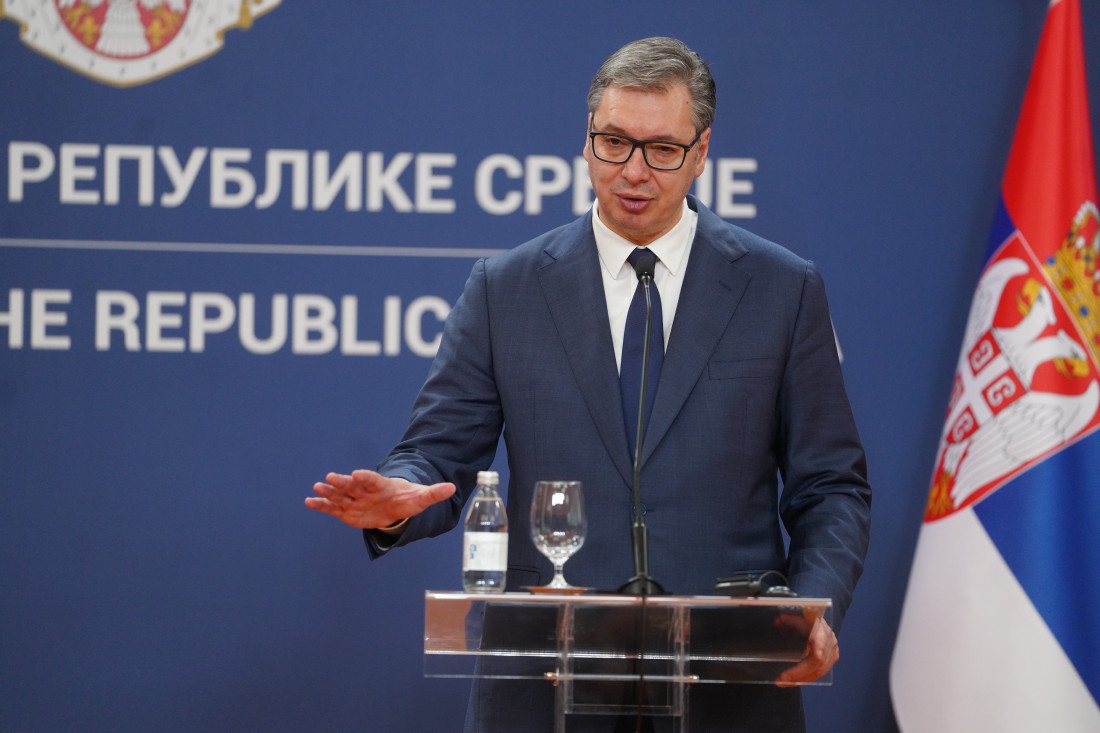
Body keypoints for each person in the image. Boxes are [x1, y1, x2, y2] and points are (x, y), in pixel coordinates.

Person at [306, 36, 871, 733]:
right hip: (544, 686)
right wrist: (398, 497)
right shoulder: (506, 289)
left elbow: (831, 486)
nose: (633, 170)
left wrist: (812, 607)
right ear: (586, 140)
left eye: (661, 149)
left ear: (701, 152)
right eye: (614, 142)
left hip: (730, 687)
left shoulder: (780, 289)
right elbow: (436, 454)